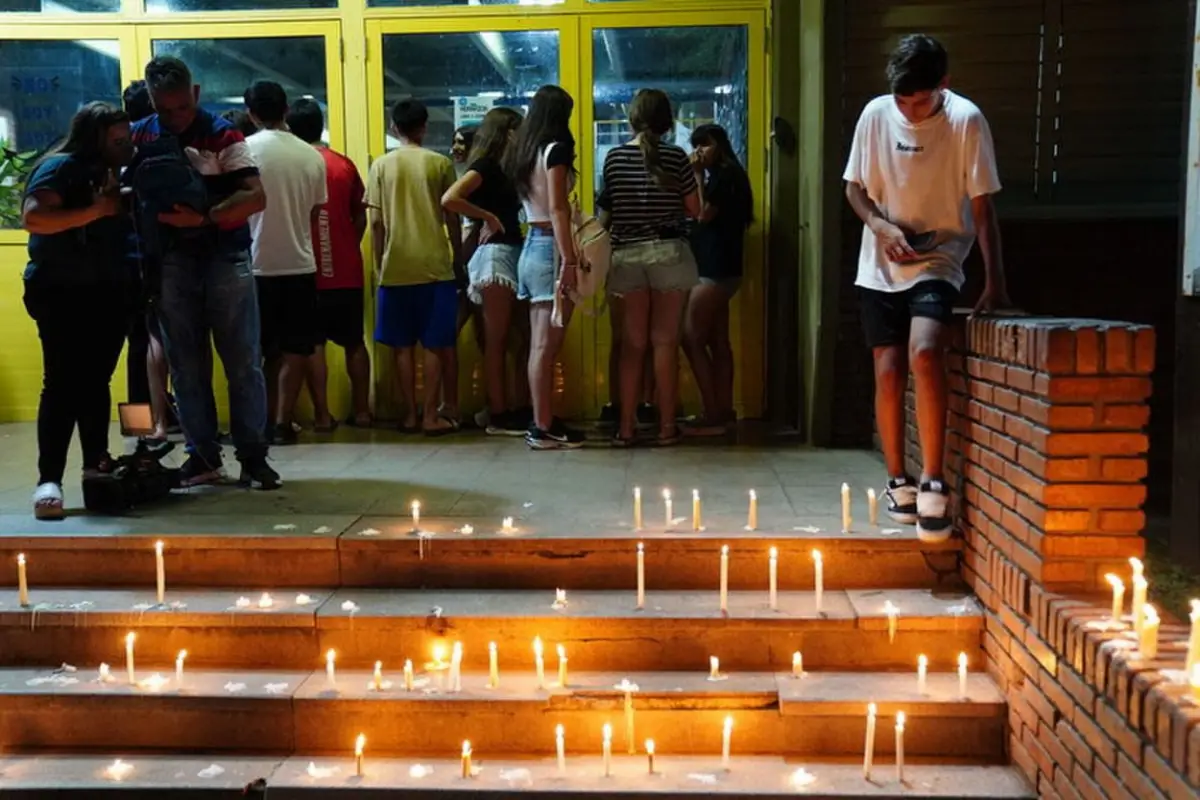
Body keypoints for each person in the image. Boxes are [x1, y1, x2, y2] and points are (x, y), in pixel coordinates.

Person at [844, 34, 1007, 541]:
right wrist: (880, 227)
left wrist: (995, 281)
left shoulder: (966, 121)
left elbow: (982, 208)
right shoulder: (875, 115)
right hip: (881, 262)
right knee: (888, 370)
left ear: (943, 85)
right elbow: (855, 188)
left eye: (920, 100)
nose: (910, 111)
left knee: (925, 352)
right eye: (902, 100)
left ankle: (934, 475)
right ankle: (898, 479)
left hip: (938, 257)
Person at [131, 55, 279, 489]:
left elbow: (255, 197)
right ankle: (202, 456)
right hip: (171, 262)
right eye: (165, 109)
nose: (175, 117)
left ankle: (253, 457)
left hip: (225, 258)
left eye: (182, 106)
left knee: (243, 363)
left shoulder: (223, 133)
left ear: (195, 94)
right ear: (152, 100)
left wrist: (205, 219)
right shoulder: (141, 134)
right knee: (185, 366)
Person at [21, 102, 136, 519]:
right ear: (95, 138)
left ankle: (95, 466)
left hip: (107, 289)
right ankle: (48, 479)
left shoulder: (116, 171)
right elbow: (34, 218)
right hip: (62, 291)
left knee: (95, 382)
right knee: (62, 383)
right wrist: (97, 210)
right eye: (118, 140)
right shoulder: (62, 167)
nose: (126, 146)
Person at [598, 89, 701, 447]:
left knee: (631, 345)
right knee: (664, 343)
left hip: (626, 256)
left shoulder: (613, 158)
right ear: (666, 121)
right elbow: (695, 209)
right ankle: (667, 427)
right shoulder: (677, 158)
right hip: (668, 253)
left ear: (632, 118)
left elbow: (605, 214)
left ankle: (626, 428)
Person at [367, 99, 463, 435]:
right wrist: (458, 257)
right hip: (436, 267)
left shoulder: (380, 166)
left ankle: (409, 414)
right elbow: (451, 217)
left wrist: (380, 265)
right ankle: (429, 416)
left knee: (402, 347)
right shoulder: (439, 164)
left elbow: (376, 223)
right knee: (436, 344)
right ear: (424, 127)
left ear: (394, 128)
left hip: (397, 268)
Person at [243, 81, 328, 445]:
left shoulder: (243, 151)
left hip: (252, 266)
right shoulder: (311, 156)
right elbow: (313, 211)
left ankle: (257, 422)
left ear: (251, 113)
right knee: (296, 350)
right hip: (299, 264)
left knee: (255, 352)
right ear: (286, 111)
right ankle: (282, 422)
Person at [442, 106, 531, 436]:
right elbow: (450, 198)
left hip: (509, 252)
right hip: (495, 256)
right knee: (498, 340)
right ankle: (498, 412)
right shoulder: (487, 166)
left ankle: (515, 406)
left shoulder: (506, 168)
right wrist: (488, 217)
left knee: (519, 337)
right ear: (507, 132)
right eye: (518, 130)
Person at [506, 85, 585, 449]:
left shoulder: (524, 152)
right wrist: (570, 258)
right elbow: (557, 207)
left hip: (531, 246)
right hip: (551, 247)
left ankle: (543, 420)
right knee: (544, 345)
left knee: (540, 343)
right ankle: (542, 426)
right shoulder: (556, 150)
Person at [286, 97, 372, 430]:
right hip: (346, 270)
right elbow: (360, 213)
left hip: (306, 271)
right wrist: (348, 241)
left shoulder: (296, 166)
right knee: (354, 342)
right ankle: (363, 411)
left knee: (313, 344)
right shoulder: (343, 164)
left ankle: (322, 415)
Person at [683, 123, 754, 436]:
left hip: (714, 269)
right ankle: (724, 410)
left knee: (690, 336)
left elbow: (701, 214)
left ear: (720, 144)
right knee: (717, 339)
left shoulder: (723, 177)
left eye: (705, 145)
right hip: (727, 267)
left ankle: (712, 412)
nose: (700, 152)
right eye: (696, 146)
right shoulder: (732, 175)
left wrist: (696, 176)